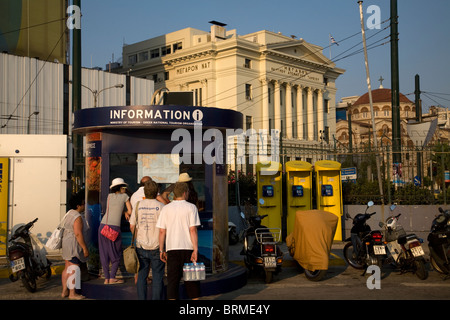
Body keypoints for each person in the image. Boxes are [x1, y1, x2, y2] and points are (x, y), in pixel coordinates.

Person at [157, 182, 201, 300]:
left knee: (172, 282)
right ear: (185, 193)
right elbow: (193, 230)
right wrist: (195, 250)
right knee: (192, 281)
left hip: (172, 249)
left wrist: (161, 250)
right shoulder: (191, 207)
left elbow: (162, 232)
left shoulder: (166, 208)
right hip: (188, 249)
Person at [129, 179, 166, 300]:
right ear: (157, 192)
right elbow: (163, 230)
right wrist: (162, 249)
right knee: (157, 277)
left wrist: (138, 237)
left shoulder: (138, 205)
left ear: (145, 192)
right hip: (157, 246)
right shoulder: (161, 207)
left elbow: (132, 226)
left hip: (141, 246)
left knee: (141, 276)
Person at [98, 177, 132, 284]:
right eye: (124, 187)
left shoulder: (109, 196)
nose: (125, 189)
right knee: (116, 254)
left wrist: (123, 212)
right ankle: (112, 277)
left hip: (103, 226)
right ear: (121, 187)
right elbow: (130, 211)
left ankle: (106, 278)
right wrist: (126, 212)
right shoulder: (125, 196)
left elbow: (112, 210)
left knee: (104, 254)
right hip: (113, 228)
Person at [61, 193, 89, 300]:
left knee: (67, 266)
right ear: (78, 205)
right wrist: (85, 248)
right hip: (73, 243)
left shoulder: (69, 214)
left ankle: (64, 291)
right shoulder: (77, 217)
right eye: (83, 204)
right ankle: (72, 293)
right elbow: (78, 234)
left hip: (66, 242)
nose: (84, 205)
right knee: (74, 267)